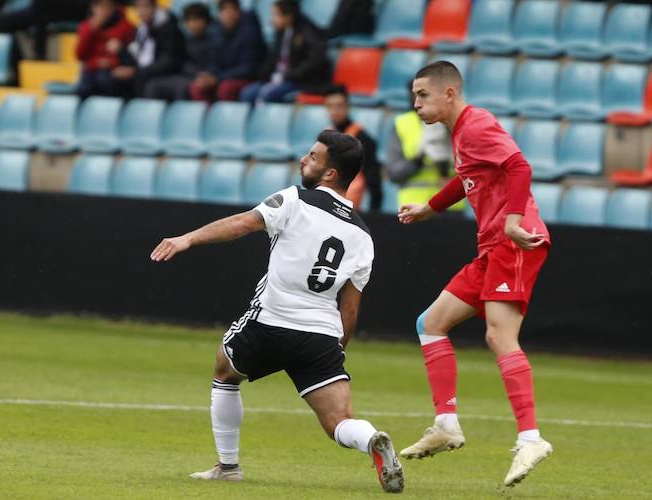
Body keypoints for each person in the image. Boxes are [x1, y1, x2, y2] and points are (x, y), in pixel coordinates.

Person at [150, 130, 404, 493]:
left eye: (314, 156)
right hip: (321, 336)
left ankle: (228, 466)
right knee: (338, 421)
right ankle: (370, 440)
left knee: (225, 371)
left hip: (270, 322)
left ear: (331, 173)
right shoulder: (363, 236)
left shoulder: (295, 199)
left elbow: (241, 225)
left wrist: (186, 238)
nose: (304, 159)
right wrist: (337, 349)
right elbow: (350, 307)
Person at [397, 61, 552, 488]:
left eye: (423, 95)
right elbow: (466, 180)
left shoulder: (477, 124)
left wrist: (513, 220)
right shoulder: (462, 133)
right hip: (492, 247)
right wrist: (430, 207)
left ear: (449, 93)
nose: (416, 104)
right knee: (430, 324)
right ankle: (446, 423)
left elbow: (520, 167)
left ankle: (531, 438)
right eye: (414, 96)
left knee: (499, 336)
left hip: (514, 241)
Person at [387, 80, 462, 212]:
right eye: (415, 94)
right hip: (412, 207)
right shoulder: (401, 124)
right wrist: (418, 160)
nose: (418, 100)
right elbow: (394, 174)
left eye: (424, 94)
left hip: (450, 205)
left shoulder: (453, 121)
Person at [240, 0, 330, 105]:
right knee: (248, 93)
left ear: (289, 16)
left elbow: (314, 60)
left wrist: (291, 74)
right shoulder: (281, 32)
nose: (272, 19)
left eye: (276, 14)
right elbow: (274, 58)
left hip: (301, 81)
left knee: (268, 94)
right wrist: (263, 74)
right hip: (280, 78)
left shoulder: (308, 32)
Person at [189, 0, 266, 103]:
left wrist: (218, 78)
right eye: (224, 10)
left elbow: (249, 67)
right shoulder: (214, 32)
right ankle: (209, 117)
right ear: (219, 14)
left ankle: (229, 118)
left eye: (232, 10)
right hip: (222, 77)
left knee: (226, 88)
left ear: (239, 12)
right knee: (196, 88)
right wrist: (208, 76)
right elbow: (211, 61)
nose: (229, 14)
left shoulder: (250, 32)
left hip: (246, 78)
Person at [112, 0, 185, 98]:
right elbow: (135, 57)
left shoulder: (169, 27)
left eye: (146, 6)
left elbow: (169, 62)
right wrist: (121, 50)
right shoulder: (140, 29)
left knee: (149, 86)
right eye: (138, 7)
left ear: (155, 6)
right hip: (145, 73)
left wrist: (136, 72)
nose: (142, 12)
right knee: (110, 80)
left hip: (167, 75)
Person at [323, 85, 383, 211]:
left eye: (339, 105)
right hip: (327, 205)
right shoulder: (325, 137)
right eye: (330, 106)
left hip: (351, 206)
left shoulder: (362, 138)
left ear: (347, 106)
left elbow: (373, 179)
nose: (334, 110)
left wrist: (374, 212)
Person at [142, 2, 213, 101]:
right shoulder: (183, 40)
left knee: (182, 87)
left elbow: (213, 63)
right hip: (184, 75)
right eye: (189, 20)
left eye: (197, 19)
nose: (193, 24)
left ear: (206, 21)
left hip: (201, 78)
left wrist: (204, 75)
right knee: (152, 86)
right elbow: (180, 62)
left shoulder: (214, 41)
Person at [75, 0, 136, 98]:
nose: (104, 11)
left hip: (115, 70)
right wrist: (91, 31)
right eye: (101, 6)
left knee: (104, 81)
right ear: (93, 8)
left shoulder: (125, 27)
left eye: (108, 6)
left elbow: (132, 54)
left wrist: (119, 51)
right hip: (92, 70)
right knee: (84, 86)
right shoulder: (86, 27)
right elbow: (80, 55)